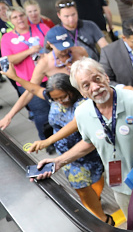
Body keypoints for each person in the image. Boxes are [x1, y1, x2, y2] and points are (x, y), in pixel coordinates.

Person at [36, 58, 133, 218]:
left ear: (106, 77)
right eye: (86, 85)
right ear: (81, 92)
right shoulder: (82, 114)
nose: (95, 87)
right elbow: (89, 143)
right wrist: (58, 161)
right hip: (120, 184)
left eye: (97, 79)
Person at [1, 68, 112, 225]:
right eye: (56, 99)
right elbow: (33, 88)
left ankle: (96, 199)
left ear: (72, 89)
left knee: (96, 180)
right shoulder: (53, 98)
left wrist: (48, 141)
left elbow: (75, 124)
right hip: (66, 156)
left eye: (64, 96)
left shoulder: (84, 103)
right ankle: (103, 219)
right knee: (81, 187)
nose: (61, 101)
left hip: (87, 152)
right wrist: (13, 78)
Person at [0, 25, 88, 135]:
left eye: (67, 46)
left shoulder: (79, 51)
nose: (65, 51)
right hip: (68, 110)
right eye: (61, 48)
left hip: (86, 101)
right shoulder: (44, 63)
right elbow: (30, 91)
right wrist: (9, 116)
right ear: (50, 44)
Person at [0, 7, 51, 145]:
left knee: (58, 108)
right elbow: (9, 59)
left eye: (21, 15)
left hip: (50, 76)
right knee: (42, 113)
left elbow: (54, 46)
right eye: (15, 17)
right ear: (10, 21)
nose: (20, 19)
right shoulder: (7, 38)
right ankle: (45, 140)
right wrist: (29, 51)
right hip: (28, 81)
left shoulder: (40, 28)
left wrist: (45, 53)